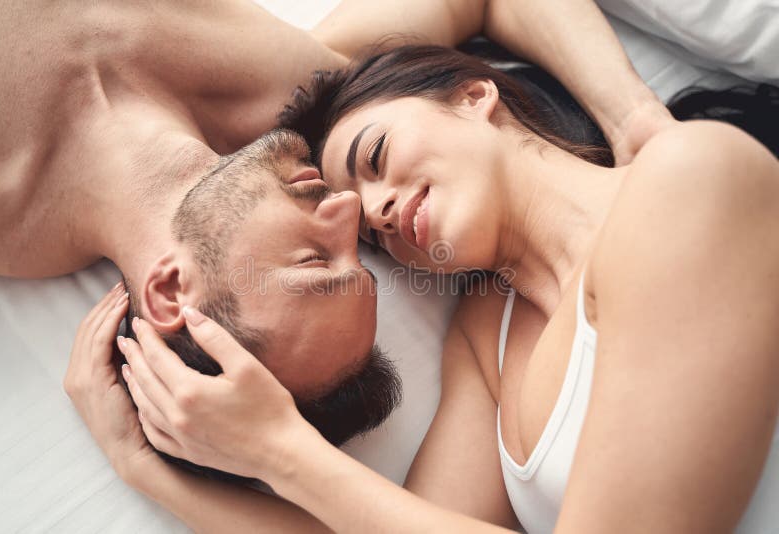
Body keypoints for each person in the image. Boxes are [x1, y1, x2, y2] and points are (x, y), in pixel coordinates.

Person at [102, 45, 779, 533]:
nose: (376, 211)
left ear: (472, 95)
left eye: (374, 158)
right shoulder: (485, 338)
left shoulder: (694, 179)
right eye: (371, 235)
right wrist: (143, 467)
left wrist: (282, 451)